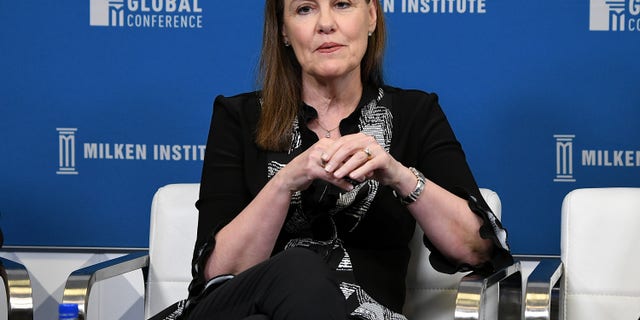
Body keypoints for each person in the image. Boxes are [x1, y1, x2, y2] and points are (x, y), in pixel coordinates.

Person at [178, 0, 512, 319]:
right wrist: (285, 181)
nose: (326, 24)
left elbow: (477, 248)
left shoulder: (415, 115)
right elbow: (218, 274)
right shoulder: (239, 117)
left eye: (342, 4)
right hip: (239, 306)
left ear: (371, 16)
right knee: (300, 265)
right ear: (283, 29)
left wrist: (399, 175)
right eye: (305, 9)